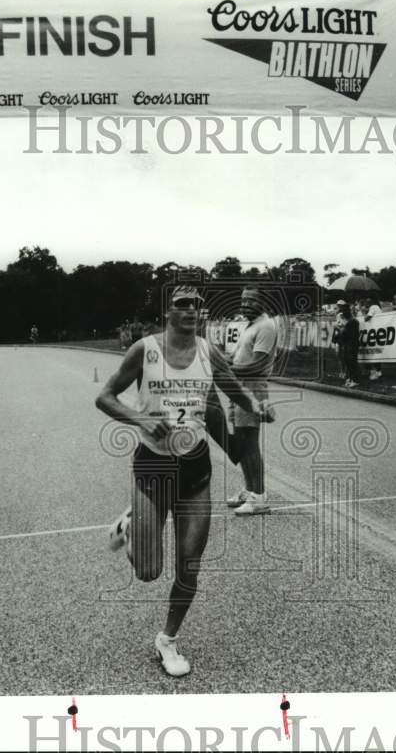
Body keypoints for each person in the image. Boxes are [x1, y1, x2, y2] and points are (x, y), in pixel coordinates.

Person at [95, 285, 269, 677]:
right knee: (147, 571)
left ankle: (168, 640)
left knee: (190, 565)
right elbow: (105, 397)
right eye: (182, 304)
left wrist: (254, 407)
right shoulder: (145, 350)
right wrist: (140, 419)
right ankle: (129, 524)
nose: (192, 310)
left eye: (197, 304)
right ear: (168, 311)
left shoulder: (209, 352)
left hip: (195, 470)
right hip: (153, 468)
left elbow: (228, 391)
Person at [225, 287, 279, 515]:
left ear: (263, 302)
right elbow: (239, 357)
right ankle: (249, 490)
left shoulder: (266, 326)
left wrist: (227, 370)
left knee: (249, 443)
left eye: (250, 300)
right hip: (239, 387)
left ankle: (259, 497)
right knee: (241, 441)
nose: (244, 304)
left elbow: (257, 365)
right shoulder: (251, 325)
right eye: (242, 299)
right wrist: (223, 361)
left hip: (252, 389)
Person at [338, 301, 361, 388]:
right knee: (347, 362)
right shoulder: (351, 321)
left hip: (351, 344)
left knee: (352, 362)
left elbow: (349, 334)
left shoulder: (353, 322)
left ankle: (355, 380)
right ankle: (350, 378)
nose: (343, 313)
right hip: (348, 344)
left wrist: (342, 332)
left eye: (344, 311)